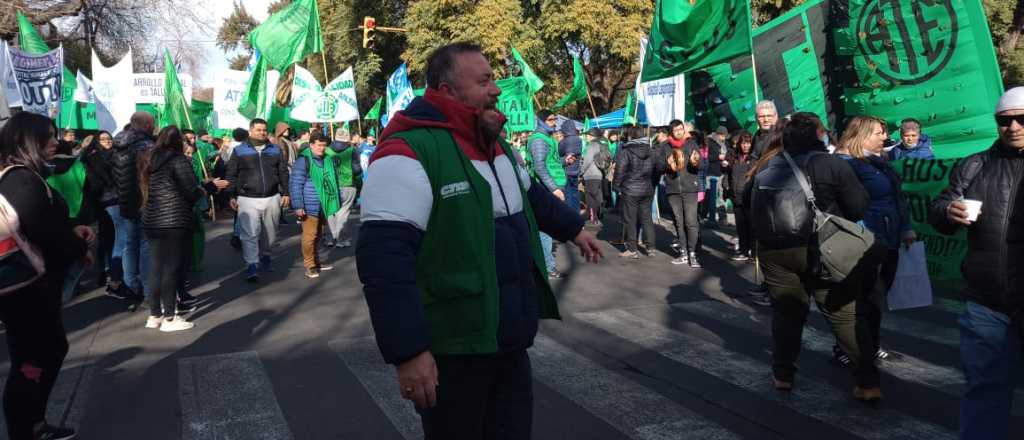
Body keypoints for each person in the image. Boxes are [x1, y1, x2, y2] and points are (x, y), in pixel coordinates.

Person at [356, 43, 602, 439]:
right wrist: (410, 352)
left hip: (508, 339)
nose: (496, 90)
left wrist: (574, 230)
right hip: (454, 349)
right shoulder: (407, 152)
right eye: (484, 81)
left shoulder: (495, 144)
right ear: (447, 91)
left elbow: (531, 196)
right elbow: (384, 263)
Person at [746, 112, 880, 400]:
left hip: (775, 250)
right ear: (819, 136)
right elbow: (857, 207)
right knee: (843, 316)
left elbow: (747, 204)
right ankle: (867, 383)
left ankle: (783, 375)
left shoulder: (768, 164)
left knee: (787, 313)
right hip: (823, 246)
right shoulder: (832, 164)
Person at [928, 86, 1024, 440]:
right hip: (987, 303)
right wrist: (947, 212)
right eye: (1004, 120)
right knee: (985, 392)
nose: (1013, 127)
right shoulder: (975, 164)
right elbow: (940, 208)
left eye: (1022, 119)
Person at [0, 112, 92, 440]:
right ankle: (26, 429)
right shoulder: (21, 179)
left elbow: (42, 226)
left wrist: (72, 231)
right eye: (49, 136)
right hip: (27, 288)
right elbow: (44, 232)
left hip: (30, 285)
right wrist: (78, 246)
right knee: (33, 358)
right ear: (28, 140)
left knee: (44, 352)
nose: (56, 141)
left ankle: (33, 424)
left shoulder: (24, 176)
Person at [833, 115, 915, 365]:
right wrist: (860, 236)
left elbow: (897, 196)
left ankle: (870, 342)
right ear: (862, 135)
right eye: (879, 133)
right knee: (866, 297)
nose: (885, 137)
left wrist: (906, 228)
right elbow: (843, 205)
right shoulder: (845, 164)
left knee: (878, 297)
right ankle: (848, 347)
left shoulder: (879, 161)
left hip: (890, 236)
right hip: (865, 241)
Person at [139, 126, 224, 332]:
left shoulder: (149, 159)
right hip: (174, 219)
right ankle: (170, 317)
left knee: (156, 267)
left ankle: (155, 314)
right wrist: (211, 187)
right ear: (178, 141)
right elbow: (191, 191)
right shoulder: (178, 160)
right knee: (171, 269)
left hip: (151, 219)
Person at [225, 118, 290, 282]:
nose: (262, 133)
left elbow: (283, 172)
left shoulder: (275, 149)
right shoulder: (239, 150)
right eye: (258, 130)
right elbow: (231, 174)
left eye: (264, 130)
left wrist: (286, 192)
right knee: (250, 234)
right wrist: (231, 195)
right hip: (247, 198)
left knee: (271, 234)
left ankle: (266, 255)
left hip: (272, 197)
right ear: (250, 131)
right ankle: (252, 264)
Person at [110, 112, 157, 302]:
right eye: (152, 123)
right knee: (145, 245)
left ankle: (131, 286)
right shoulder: (146, 145)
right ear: (146, 125)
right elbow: (152, 171)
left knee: (130, 243)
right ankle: (147, 291)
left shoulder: (117, 143)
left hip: (124, 198)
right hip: (144, 199)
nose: (154, 127)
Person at [290, 133, 339, 278]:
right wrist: (298, 205)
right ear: (311, 145)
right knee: (310, 236)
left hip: (324, 203)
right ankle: (309, 265)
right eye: (319, 145)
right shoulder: (303, 160)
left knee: (318, 235)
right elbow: (295, 184)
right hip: (309, 204)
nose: (322, 148)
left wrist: (336, 200)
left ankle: (316, 261)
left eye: (324, 145)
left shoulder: (327, 159)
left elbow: (333, 180)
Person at [527, 109, 568, 278]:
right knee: (545, 229)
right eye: (551, 120)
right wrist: (554, 189)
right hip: (545, 190)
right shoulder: (538, 139)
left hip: (549, 188)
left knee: (546, 228)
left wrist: (564, 161)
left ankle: (543, 265)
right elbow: (539, 167)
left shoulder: (547, 138)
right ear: (541, 121)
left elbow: (550, 163)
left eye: (555, 119)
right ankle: (548, 268)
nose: (554, 122)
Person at [614, 125, 666, 259]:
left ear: (631, 136)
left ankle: (632, 249)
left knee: (630, 219)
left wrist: (616, 186)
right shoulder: (651, 150)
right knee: (647, 218)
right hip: (647, 188)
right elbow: (660, 167)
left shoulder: (626, 151)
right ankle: (650, 247)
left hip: (630, 189)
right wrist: (653, 181)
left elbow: (620, 170)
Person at [80, 131, 119, 292]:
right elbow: (96, 180)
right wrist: (109, 183)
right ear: (97, 141)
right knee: (111, 237)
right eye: (103, 139)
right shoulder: (94, 157)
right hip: (104, 200)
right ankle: (109, 271)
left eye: (109, 138)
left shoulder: (114, 154)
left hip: (112, 199)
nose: (108, 141)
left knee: (109, 236)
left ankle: (108, 269)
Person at [749, 100, 780, 300]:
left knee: (775, 245)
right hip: (759, 191)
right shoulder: (757, 135)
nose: (766, 119)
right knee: (764, 244)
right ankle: (768, 282)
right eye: (762, 116)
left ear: (776, 116)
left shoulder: (780, 136)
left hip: (775, 194)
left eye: (769, 115)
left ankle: (775, 289)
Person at [662, 121, 705, 266]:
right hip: (673, 189)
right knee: (679, 223)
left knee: (691, 222)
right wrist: (667, 164)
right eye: (676, 130)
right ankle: (684, 253)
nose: (679, 132)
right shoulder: (665, 146)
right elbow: (659, 166)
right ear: (671, 132)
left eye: (681, 129)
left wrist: (695, 162)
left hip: (690, 188)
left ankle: (692, 253)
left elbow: (702, 165)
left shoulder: (691, 144)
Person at [326, 127, 362, 248]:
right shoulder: (352, 150)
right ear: (347, 138)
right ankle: (341, 239)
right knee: (343, 211)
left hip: (330, 185)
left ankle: (330, 238)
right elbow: (357, 170)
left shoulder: (326, 150)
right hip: (347, 184)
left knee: (331, 211)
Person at [724, 130, 755, 261]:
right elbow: (728, 174)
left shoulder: (753, 159)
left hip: (749, 197)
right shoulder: (735, 158)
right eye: (743, 143)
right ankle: (743, 251)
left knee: (751, 226)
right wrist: (726, 186)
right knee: (741, 226)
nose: (745, 146)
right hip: (736, 196)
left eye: (748, 143)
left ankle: (753, 252)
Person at [581, 128, 611, 227]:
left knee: (590, 197)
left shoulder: (592, 145)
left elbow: (587, 161)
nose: (586, 137)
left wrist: (581, 172)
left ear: (592, 136)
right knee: (597, 195)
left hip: (590, 174)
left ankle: (593, 219)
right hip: (599, 174)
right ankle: (598, 214)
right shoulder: (602, 144)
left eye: (587, 135)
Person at [704, 126, 729, 228]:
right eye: (722, 135)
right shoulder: (709, 142)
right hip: (711, 173)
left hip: (721, 172)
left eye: (725, 136)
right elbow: (706, 157)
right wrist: (717, 157)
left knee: (720, 196)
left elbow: (727, 154)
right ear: (718, 134)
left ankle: (722, 218)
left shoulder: (724, 143)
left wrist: (726, 161)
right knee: (710, 195)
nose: (724, 138)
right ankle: (706, 216)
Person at [558, 120, 583, 213]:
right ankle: (577, 213)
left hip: (566, 171)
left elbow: (559, 153)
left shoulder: (564, 142)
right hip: (576, 170)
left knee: (568, 195)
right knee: (575, 193)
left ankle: (570, 214)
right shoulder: (579, 140)